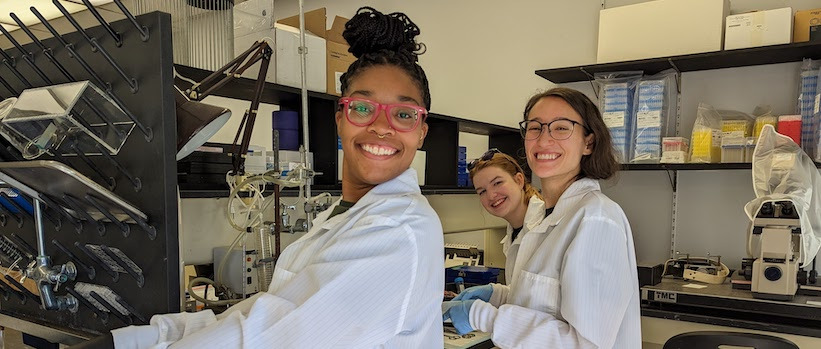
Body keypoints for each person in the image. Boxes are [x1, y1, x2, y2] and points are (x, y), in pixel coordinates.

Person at [102, 7, 444, 349]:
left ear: (422, 133)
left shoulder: (401, 229)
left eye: (403, 114)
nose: (382, 127)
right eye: (363, 107)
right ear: (340, 117)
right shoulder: (339, 215)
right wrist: (139, 339)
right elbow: (265, 313)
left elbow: (271, 338)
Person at [443, 87, 641, 348]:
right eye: (535, 128)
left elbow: (587, 344)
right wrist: (498, 296)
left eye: (561, 128)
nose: (544, 140)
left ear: (588, 142)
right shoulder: (540, 216)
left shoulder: (596, 219)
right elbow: (543, 302)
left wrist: (484, 316)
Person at [465, 149, 545, 287]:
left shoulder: (545, 227)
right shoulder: (514, 234)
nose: (491, 196)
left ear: (519, 180)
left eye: (497, 183)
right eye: (482, 191)